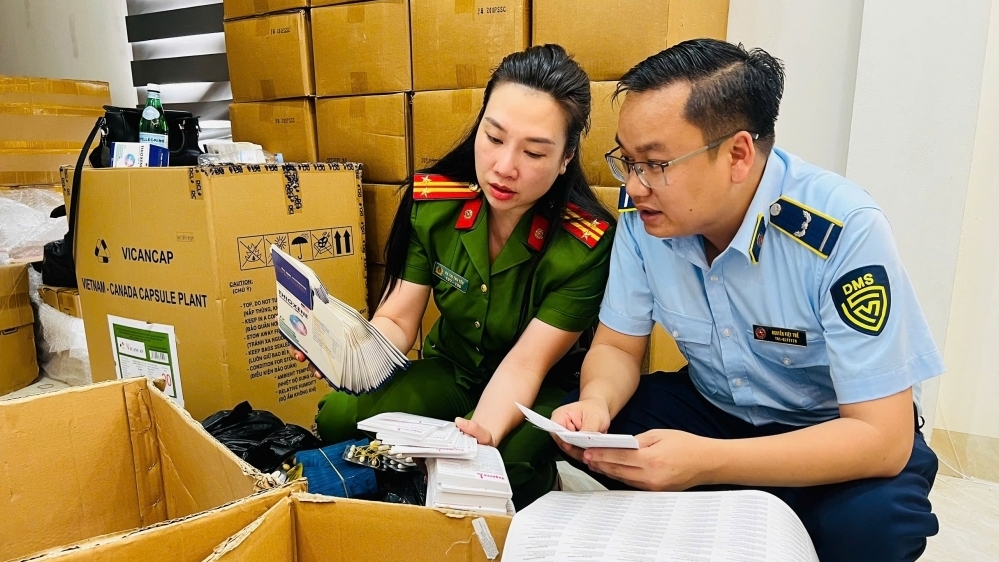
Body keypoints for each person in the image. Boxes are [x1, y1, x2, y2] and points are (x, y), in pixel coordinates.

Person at [552, 39, 943, 562]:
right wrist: (597, 404)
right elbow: (618, 347)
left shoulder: (842, 230)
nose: (636, 185)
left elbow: (882, 437)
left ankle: (736, 501)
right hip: (717, 408)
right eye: (628, 160)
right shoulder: (645, 216)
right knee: (593, 434)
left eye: (656, 163)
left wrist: (708, 462)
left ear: (737, 155)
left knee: (876, 527)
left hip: (825, 431)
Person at [291, 44, 616, 509]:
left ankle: (548, 482)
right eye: (494, 137)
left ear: (566, 158)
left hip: (537, 388)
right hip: (455, 369)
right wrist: (345, 352)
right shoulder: (435, 206)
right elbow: (398, 320)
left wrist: (481, 433)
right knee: (340, 418)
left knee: (502, 469)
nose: (504, 167)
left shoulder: (584, 244)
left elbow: (526, 364)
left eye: (534, 152)